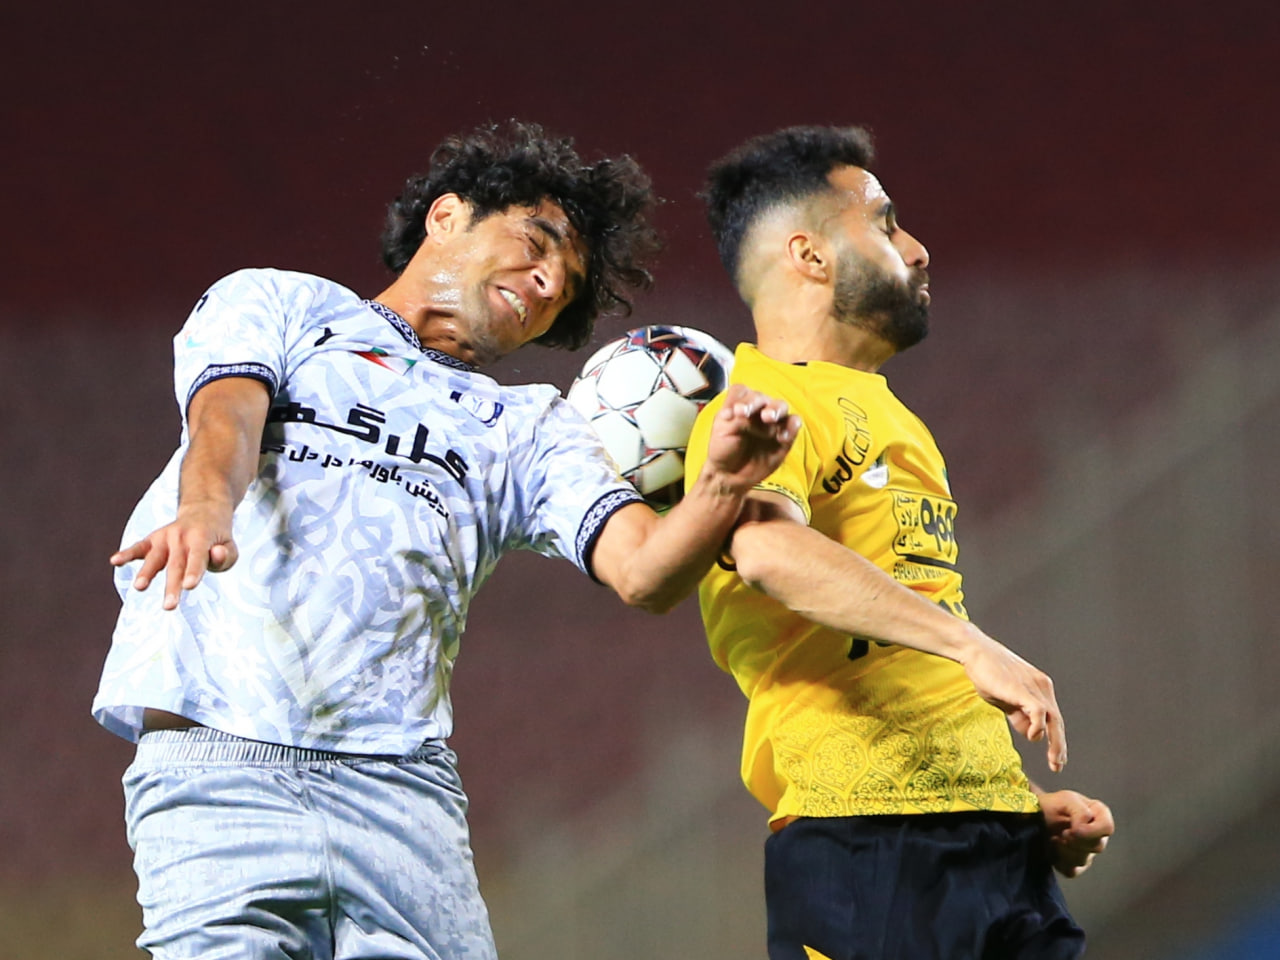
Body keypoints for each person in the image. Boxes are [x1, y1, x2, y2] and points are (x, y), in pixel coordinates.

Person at [93, 120, 800, 960]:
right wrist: (208, 507)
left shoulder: (527, 427)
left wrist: (720, 485)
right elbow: (226, 415)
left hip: (400, 796)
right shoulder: (284, 305)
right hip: (219, 763)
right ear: (447, 216)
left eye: (564, 289)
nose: (546, 282)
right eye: (536, 243)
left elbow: (645, 571)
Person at [684, 125, 1114, 960]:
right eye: (884, 222)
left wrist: (1016, 800)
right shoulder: (757, 409)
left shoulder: (891, 416)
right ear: (808, 255)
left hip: (995, 845)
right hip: (868, 848)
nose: (915, 249)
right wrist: (971, 645)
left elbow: (904, 638)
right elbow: (769, 552)